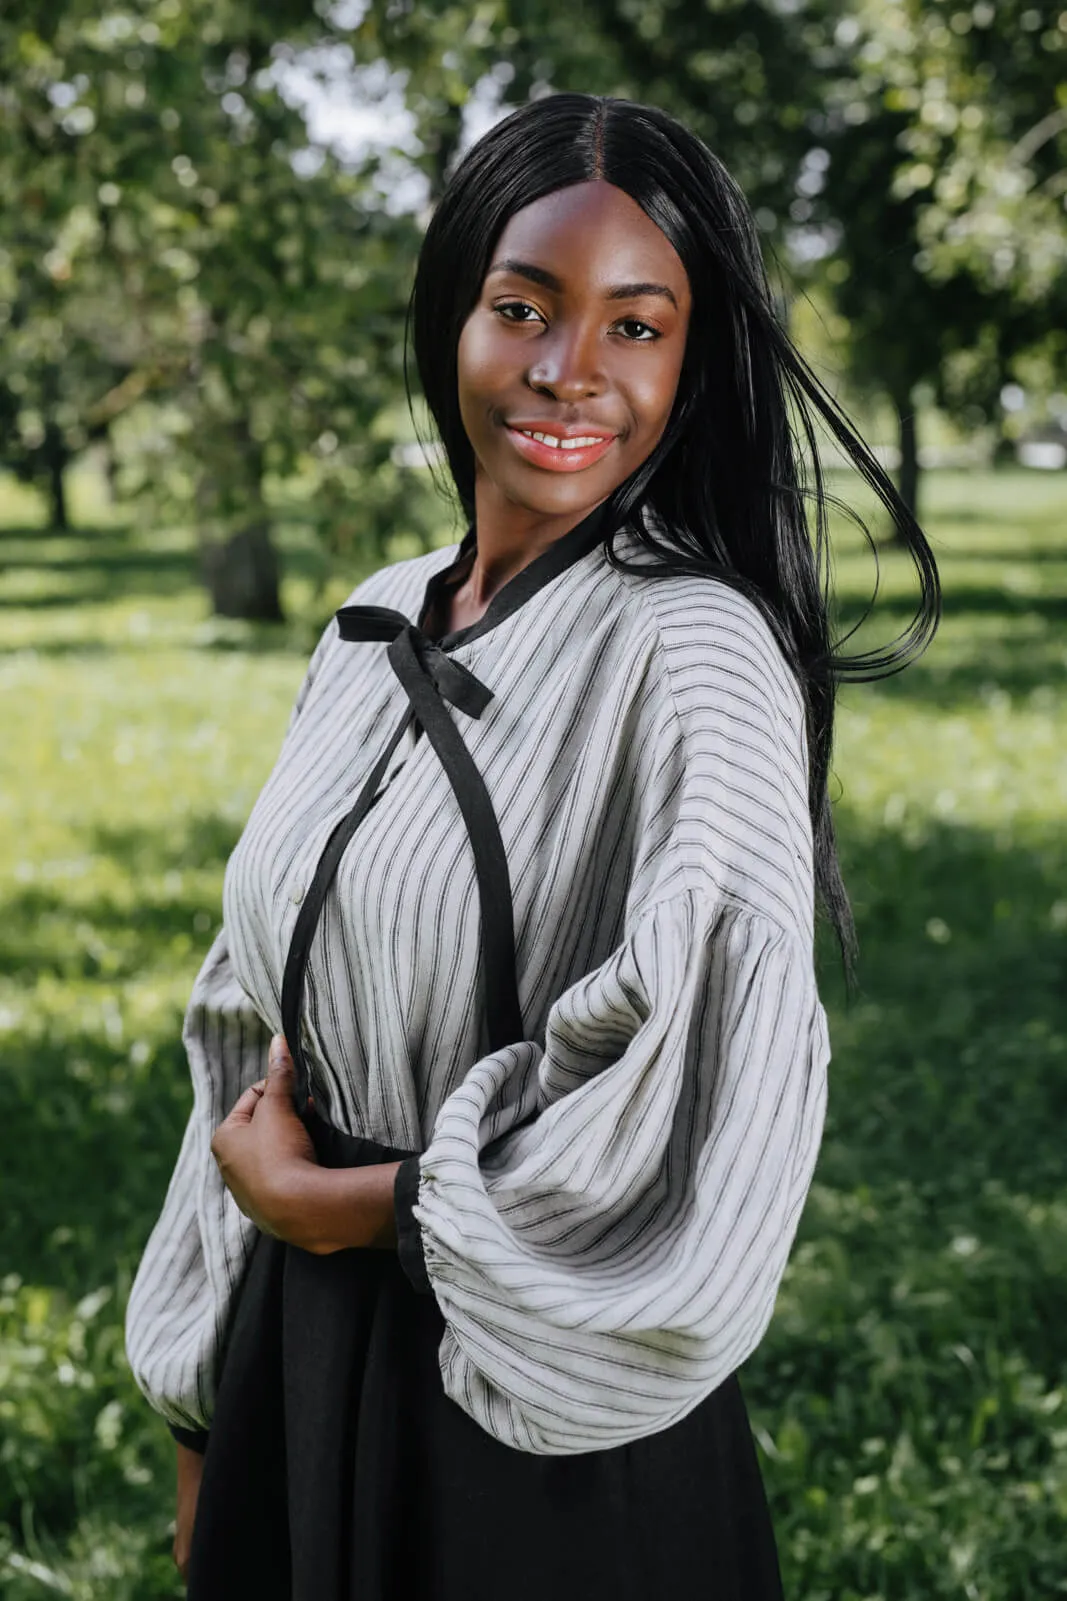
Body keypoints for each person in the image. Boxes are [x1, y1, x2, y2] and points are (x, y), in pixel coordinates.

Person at [125, 93, 939, 1599]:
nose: (570, 372)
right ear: (454, 317)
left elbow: (705, 1100)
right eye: (523, 309)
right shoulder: (376, 616)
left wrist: (359, 1211)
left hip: (544, 1418)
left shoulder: (692, 650)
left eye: (636, 326)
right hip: (292, 1371)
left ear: (690, 365)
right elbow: (250, 1017)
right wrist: (200, 1404)